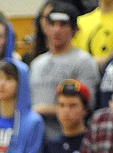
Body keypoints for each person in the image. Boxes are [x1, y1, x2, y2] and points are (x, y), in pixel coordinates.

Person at [29, 2, 98, 140]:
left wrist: (44, 109)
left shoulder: (84, 61)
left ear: (74, 29)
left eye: (63, 24)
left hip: (69, 139)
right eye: (52, 24)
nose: (56, 30)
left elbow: (88, 106)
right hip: (37, 139)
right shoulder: (37, 63)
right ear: (45, 27)